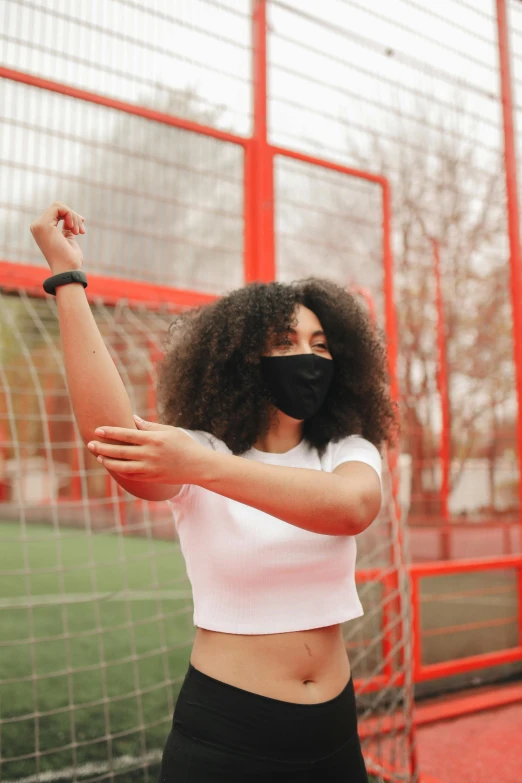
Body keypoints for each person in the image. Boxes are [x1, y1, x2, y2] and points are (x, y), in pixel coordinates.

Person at [30, 202, 396, 782]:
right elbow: (113, 438)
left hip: (334, 728)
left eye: (321, 344)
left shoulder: (348, 450)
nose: (308, 356)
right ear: (242, 358)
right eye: (286, 340)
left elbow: (351, 508)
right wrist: (68, 278)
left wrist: (202, 468)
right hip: (228, 728)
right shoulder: (199, 446)